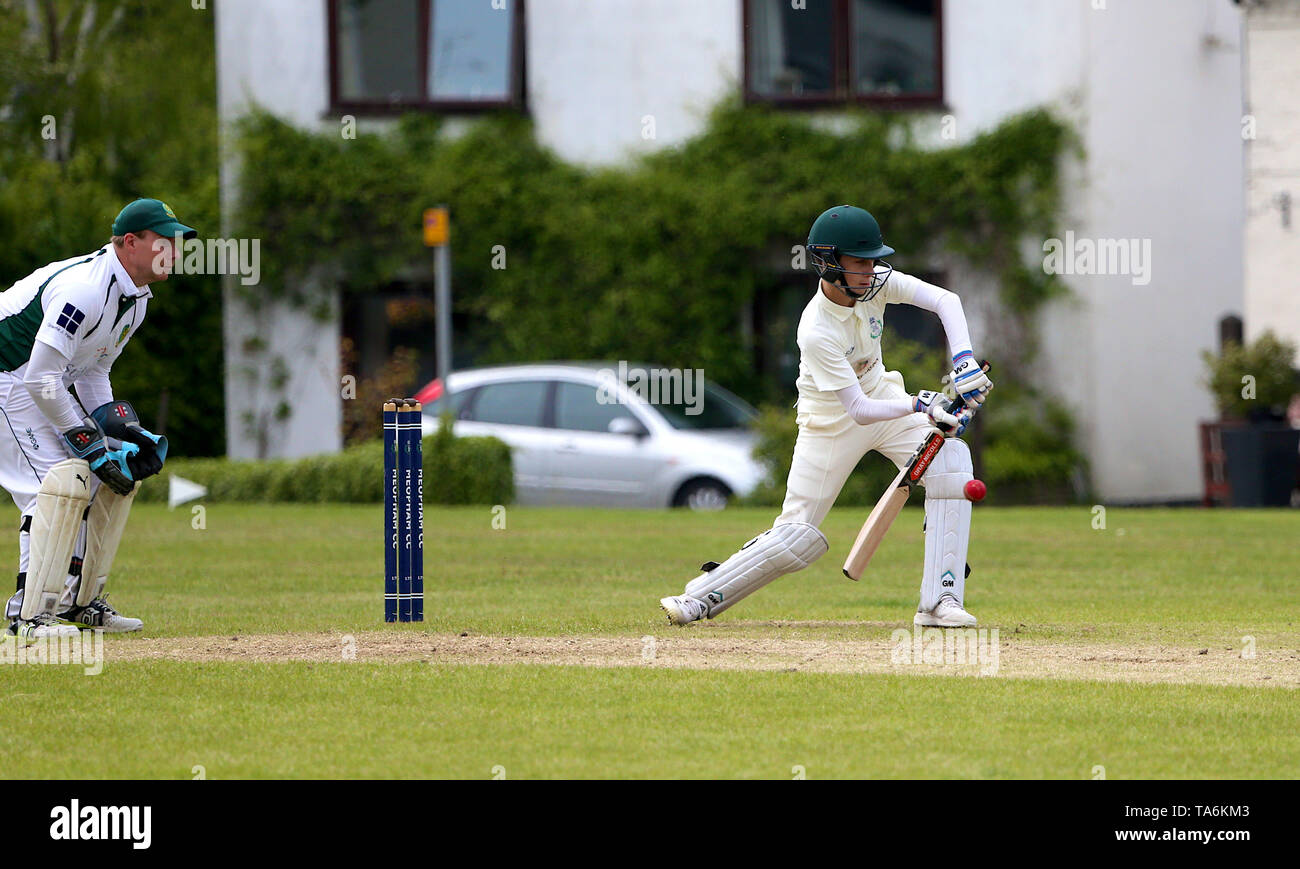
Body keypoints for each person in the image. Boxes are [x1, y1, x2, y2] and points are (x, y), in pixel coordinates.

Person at [660, 205, 992, 627]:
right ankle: (699, 598)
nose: (871, 271)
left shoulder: (874, 286)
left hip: (884, 400)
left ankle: (941, 601)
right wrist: (922, 406)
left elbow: (946, 300)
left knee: (952, 462)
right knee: (797, 537)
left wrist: (962, 362)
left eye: (874, 260)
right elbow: (857, 410)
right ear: (829, 263)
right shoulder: (816, 328)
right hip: (831, 424)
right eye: (860, 262)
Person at [1, 198, 187, 641]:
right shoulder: (85, 290)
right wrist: (87, 440)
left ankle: (78, 604)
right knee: (54, 484)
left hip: (35, 379)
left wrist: (119, 434)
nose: (175, 253)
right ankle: (28, 617)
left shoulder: (136, 300)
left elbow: (92, 372)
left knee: (104, 478)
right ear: (130, 242)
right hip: (9, 374)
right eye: (165, 242)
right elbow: (42, 378)